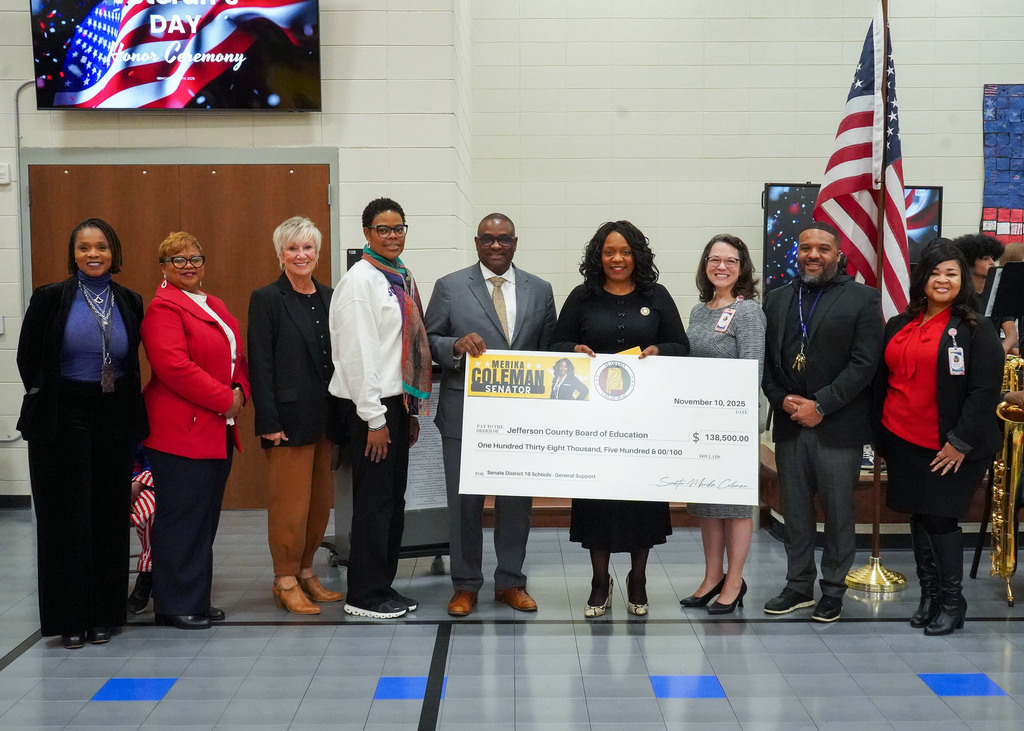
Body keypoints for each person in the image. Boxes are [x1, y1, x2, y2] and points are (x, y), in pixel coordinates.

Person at [17, 218, 147, 649]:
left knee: (109, 517)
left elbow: (131, 366)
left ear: (115, 253)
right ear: (73, 255)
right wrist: (46, 397)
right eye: (84, 248)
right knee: (64, 520)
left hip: (113, 416)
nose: (94, 255)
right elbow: (28, 358)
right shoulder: (50, 298)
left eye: (102, 247)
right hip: (61, 416)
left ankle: (104, 614)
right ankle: (68, 618)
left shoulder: (130, 300)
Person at [551, 220, 689, 617]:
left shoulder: (656, 295)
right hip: (593, 421)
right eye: (609, 251)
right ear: (599, 256)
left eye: (625, 251)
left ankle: (638, 578)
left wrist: (660, 351)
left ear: (637, 256)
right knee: (597, 497)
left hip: (645, 419)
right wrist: (573, 349)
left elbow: (682, 344)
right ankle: (599, 581)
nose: (617, 258)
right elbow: (554, 344)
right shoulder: (582, 297)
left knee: (641, 498)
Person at [424, 212, 557, 617]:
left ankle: (511, 582)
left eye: (503, 239)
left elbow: (551, 348)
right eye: (487, 239)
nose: (495, 246)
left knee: (516, 504)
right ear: (477, 243)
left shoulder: (540, 289)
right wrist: (455, 345)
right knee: (464, 505)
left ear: (516, 242)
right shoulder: (450, 286)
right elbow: (428, 340)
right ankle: (465, 586)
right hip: (464, 413)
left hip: (521, 417)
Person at [876, 240, 1002, 635]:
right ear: (922, 278)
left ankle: (952, 600)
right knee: (919, 515)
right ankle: (929, 596)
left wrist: (959, 442)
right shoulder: (899, 323)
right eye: (935, 272)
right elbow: (884, 381)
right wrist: (879, 441)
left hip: (952, 444)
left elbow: (984, 392)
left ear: (963, 279)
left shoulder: (976, 328)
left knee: (941, 517)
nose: (942, 280)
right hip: (901, 437)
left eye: (951, 272)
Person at [761, 221, 883, 622]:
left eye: (823, 249)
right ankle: (798, 586)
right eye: (806, 248)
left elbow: (865, 364)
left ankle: (833, 589)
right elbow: (766, 364)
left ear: (838, 254)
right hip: (791, 423)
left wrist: (822, 405)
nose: (813, 255)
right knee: (794, 513)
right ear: (797, 252)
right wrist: (783, 400)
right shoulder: (778, 299)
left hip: (837, 427)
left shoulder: (863, 299)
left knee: (837, 514)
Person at [141, 232, 250, 630]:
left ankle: (195, 598)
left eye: (195, 258)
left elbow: (237, 356)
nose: (188, 265)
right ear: (164, 267)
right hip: (180, 433)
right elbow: (174, 368)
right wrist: (225, 399)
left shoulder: (213, 304)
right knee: (181, 520)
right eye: (177, 259)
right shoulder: (162, 309)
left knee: (204, 519)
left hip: (216, 429)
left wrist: (241, 389)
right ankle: (172, 605)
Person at [329, 197, 431, 619]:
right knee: (373, 503)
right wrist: (375, 418)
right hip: (367, 406)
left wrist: (404, 411)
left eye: (399, 228)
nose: (393, 236)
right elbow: (358, 358)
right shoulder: (360, 282)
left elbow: (397, 352)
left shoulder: (398, 277)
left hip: (393, 403)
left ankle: (382, 586)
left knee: (393, 500)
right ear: (367, 233)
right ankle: (363, 596)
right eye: (383, 229)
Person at [248, 217, 342, 615]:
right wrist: (268, 421)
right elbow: (260, 362)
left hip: (325, 419)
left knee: (320, 503)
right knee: (289, 506)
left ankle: (306, 571)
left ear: (318, 253)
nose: (301, 255)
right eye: (292, 248)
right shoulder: (267, 298)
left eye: (307, 248)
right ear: (280, 254)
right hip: (285, 421)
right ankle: (284, 579)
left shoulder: (330, 296)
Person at [681, 234, 765, 615]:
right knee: (708, 502)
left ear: (742, 268)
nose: (721, 267)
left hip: (733, 422)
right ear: (704, 265)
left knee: (734, 504)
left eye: (731, 261)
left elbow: (753, 369)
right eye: (714, 259)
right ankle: (711, 576)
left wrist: (731, 413)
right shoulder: (700, 311)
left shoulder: (748, 312)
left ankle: (734, 581)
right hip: (699, 419)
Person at [953, 233, 1016, 354]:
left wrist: (1001, 351)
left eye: (993, 258)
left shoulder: (998, 294)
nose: (992, 262)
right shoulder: (959, 295)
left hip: (993, 354)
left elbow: (1011, 334)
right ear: (970, 262)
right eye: (985, 258)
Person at [127, 447, 155, 614]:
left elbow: (154, 461)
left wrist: (139, 482)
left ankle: (146, 574)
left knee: (152, 512)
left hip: (147, 482)